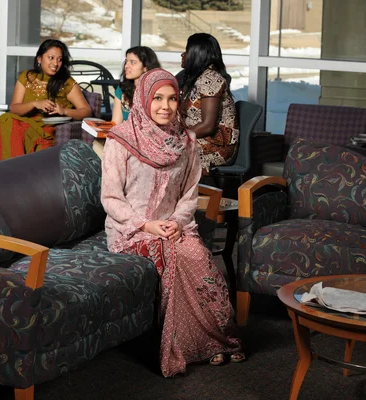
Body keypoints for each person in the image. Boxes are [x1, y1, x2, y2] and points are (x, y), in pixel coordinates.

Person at [101, 68, 243, 378]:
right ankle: (195, 347)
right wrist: (146, 225)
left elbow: (189, 195)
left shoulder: (187, 141)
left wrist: (177, 222)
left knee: (199, 259)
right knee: (171, 256)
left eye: (172, 99)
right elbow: (111, 199)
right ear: (143, 100)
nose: (165, 106)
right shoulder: (121, 140)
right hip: (131, 230)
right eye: (157, 99)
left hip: (174, 226)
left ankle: (217, 339)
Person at [0, 39, 92, 163]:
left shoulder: (67, 83)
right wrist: (34, 104)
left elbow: (86, 111)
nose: (55, 63)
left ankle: (11, 172)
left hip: (44, 129)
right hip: (21, 125)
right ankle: (14, 171)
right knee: (6, 119)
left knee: (8, 125)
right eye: (51, 58)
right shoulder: (26, 77)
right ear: (39, 59)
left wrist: (64, 111)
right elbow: (14, 108)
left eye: (59, 59)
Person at [180, 33, 239, 175]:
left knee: (167, 155)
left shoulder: (211, 80)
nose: (183, 54)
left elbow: (207, 126)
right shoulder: (197, 78)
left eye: (187, 51)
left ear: (197, 54)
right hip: (198, 139)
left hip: (215, 147)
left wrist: (179, 138)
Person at [111, 46, 161, 125]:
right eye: (126, 61)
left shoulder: (158, 90)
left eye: (133, 62)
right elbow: (116, 124)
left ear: (146, 67)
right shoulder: (122, 89)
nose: (126, 66)